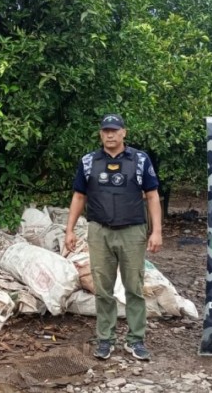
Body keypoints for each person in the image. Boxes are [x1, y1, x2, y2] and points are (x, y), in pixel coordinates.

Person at [64, 113, 162, 361]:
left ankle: (135, 340)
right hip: (100, 231)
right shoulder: (89, 162)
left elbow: (152, 196)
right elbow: (78, 197)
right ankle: (105, 340)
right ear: (100, 134)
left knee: (134, 287)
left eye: (114, 130)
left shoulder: (140, 160)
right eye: (105, 130)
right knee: (103, 289)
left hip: (132, 231)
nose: (110, 134)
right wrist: (69, 230)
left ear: (123, 133)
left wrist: (157, 231)